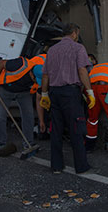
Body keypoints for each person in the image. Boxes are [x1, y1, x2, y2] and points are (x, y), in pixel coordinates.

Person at [39, 23, 95, 174]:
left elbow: (45, 75)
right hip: (70, 93)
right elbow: (82, 71)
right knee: (76, 128)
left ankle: (56, 166)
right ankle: (81, 166)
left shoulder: (52, 50)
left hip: (54, 93)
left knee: (56, 130)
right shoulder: (78, 48)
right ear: (75, 33)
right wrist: (89, 91)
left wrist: (44, 94)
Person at [0, 55, 38, 153]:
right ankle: (1, 143)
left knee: (29, 115)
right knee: (1, 116)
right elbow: (0, 64)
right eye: (35, 80)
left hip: (24, 92)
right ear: (32, 74)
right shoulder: (20, 64)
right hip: (5, 89)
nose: (36, 82)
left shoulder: (40, 74)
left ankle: (29, 143)